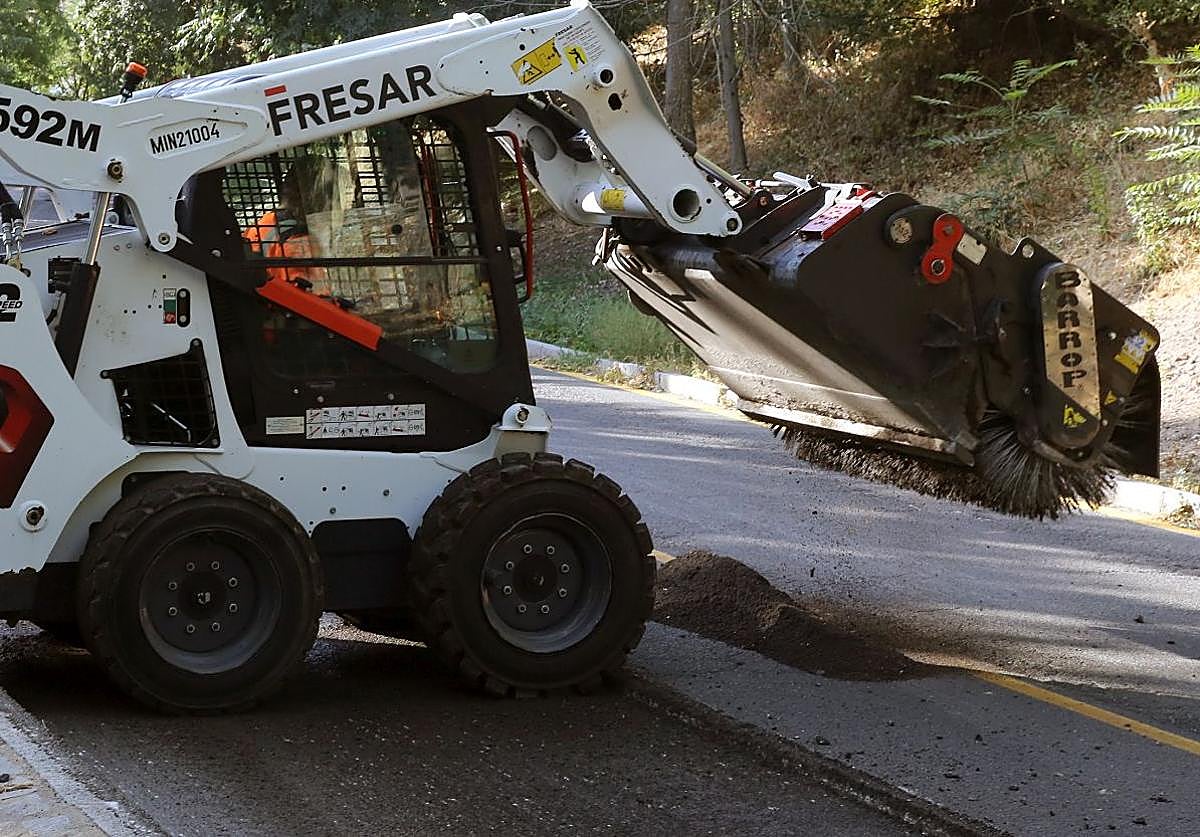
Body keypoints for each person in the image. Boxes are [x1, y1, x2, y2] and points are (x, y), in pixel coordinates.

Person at [245, 155, 336, 295]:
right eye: (329, 191)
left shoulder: (264, 223)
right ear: (312, 193)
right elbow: (315, 298)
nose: (331, 202)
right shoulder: (298, 241)